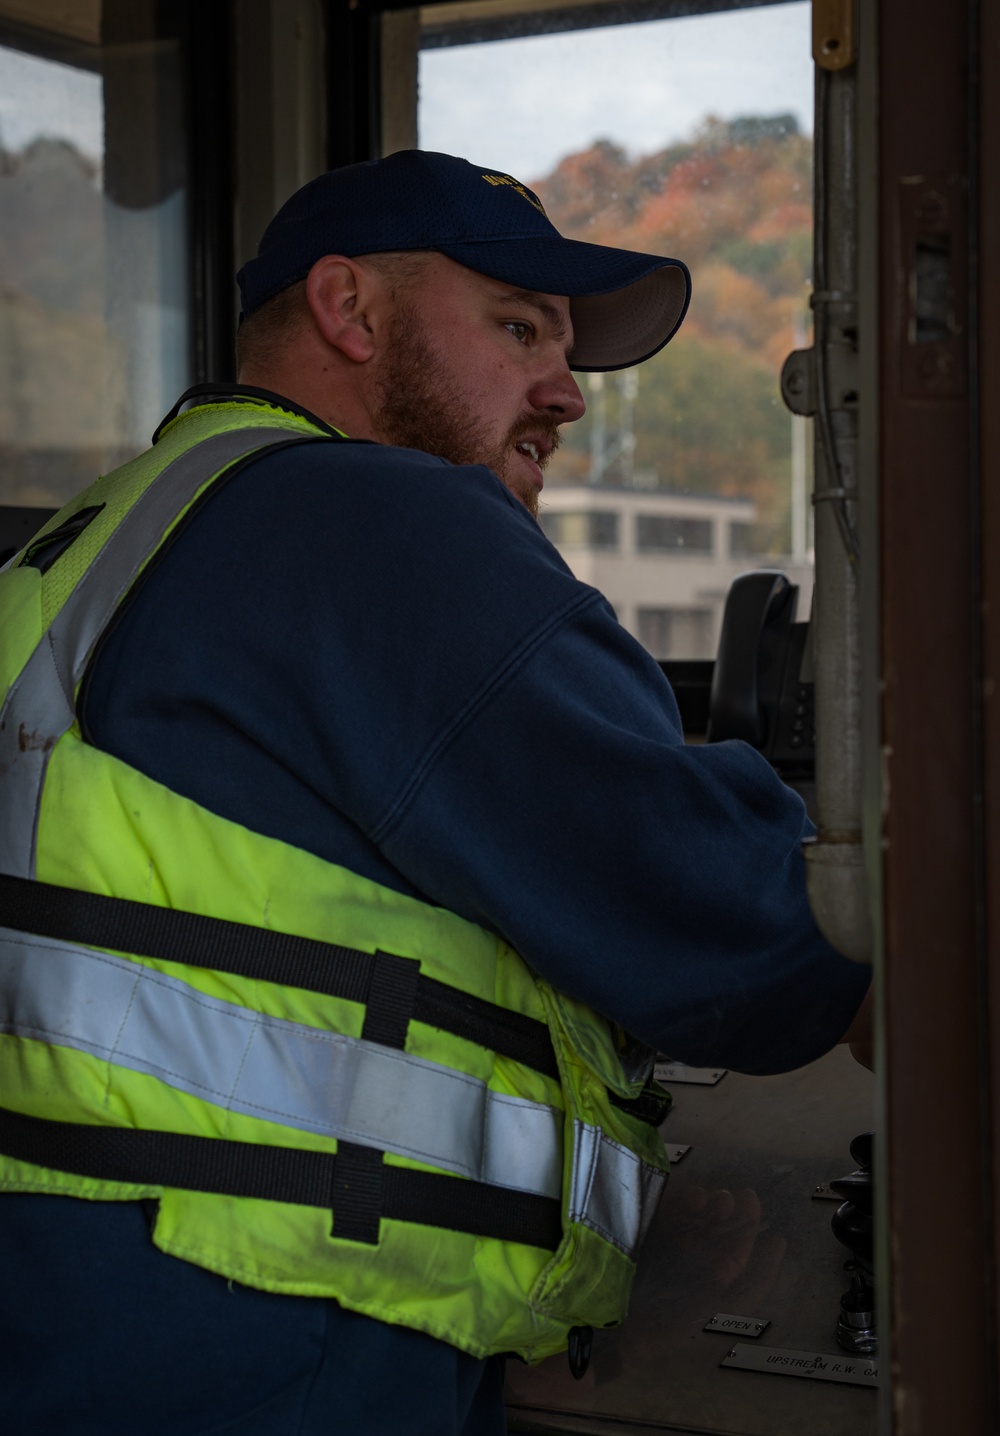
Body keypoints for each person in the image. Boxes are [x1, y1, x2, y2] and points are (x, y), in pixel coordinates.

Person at [0, 150, 870, 1436]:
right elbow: (737, 920)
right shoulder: (372, 523)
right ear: (349, 311)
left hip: (78, 1301)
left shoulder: (94, 538)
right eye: (518, 328)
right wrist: (868, 922)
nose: (566, 393)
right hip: (267, 1336)